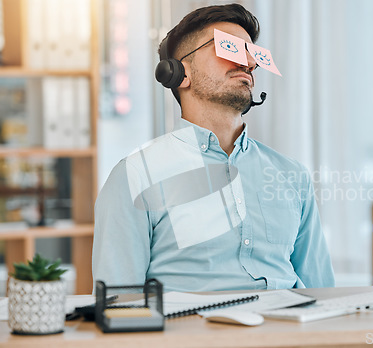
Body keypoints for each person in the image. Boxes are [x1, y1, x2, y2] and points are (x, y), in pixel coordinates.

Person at [92, 3, 335, 291]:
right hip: (193, 333)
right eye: (229, 48)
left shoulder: (292, 175)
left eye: (253, 54)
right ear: (179, 73)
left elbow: (322, 293)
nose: (249, 63)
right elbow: (120, 305)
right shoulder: (135, 177)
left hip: (286, 331)